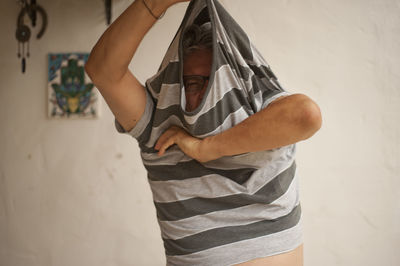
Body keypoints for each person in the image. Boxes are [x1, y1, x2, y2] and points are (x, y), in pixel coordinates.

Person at [85, 0, 322, 265]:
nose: (201, 94)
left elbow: (306, 115)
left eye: (214, 82)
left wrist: (206, 149)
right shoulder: (158, 127)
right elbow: (102, 70)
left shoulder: (261, 117)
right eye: (189, 83)